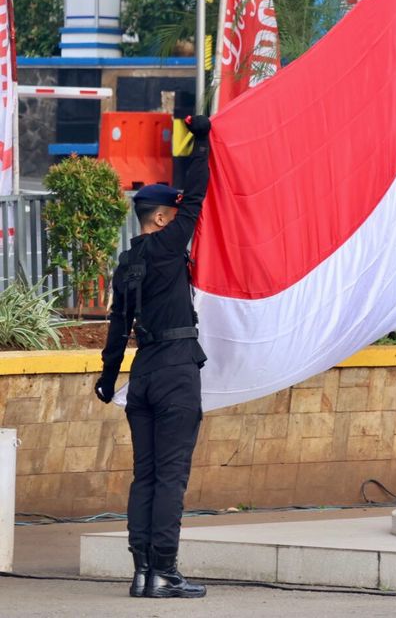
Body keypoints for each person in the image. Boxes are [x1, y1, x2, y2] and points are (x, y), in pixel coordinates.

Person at [94, 114, 211, 598]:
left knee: (145, 475)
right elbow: (198, 194)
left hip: (140, 376)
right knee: (171, 476)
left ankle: (142, 571)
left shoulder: (128, 261)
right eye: (175, 213)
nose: (181, 216)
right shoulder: (167, 246)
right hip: (176, 371)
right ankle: (165, 570)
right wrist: (201, 141)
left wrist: (107, 376)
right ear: (161, 218)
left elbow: (118, 326)